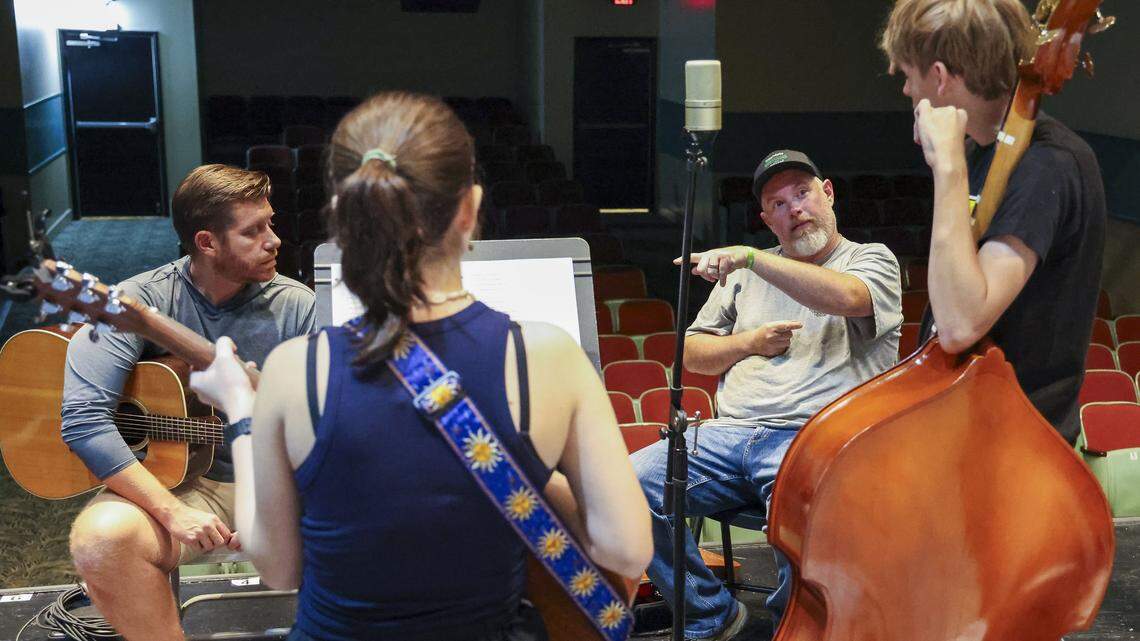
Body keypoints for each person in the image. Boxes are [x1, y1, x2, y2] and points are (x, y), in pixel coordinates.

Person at [187, 92, 653, 641]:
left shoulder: (295, 370)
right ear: (470, 208)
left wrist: (242, 407)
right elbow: (626, 548)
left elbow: (277, 568)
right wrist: (530, 467)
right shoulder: (547, 355)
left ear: (342, 217)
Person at [631, 149, 903, 640]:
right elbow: (692, 353)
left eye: (802, 193)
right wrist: (748, 343)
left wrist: (752, 258)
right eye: (778, 204)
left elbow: (848, 298)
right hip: (727, 434)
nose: (794, 209)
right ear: (766, 220)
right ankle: (710, 613)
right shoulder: (742, 274)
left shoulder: (871, 259)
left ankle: (792, 629)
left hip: (817, 438)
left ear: (828, 193)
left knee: (804, 512)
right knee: (623, 486)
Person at [62, 164, 316, 641]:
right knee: (100, 540)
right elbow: (84, 420)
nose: (274, 240)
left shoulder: (297, 305)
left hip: (279, 480)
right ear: (206, 242)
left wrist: (273, 505)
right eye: (253, 231)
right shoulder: (138, 300)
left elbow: (315, 424)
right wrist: (171, 511)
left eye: (271, 223)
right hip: (186, 487)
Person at [880, 0, 1106, 444]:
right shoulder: (986, 151)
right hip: (969, 431)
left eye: (908, 76)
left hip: (1020, 453)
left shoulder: (1049, 167)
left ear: (941, 78)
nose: (906, 91)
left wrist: (947, 168)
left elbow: (961, 323)